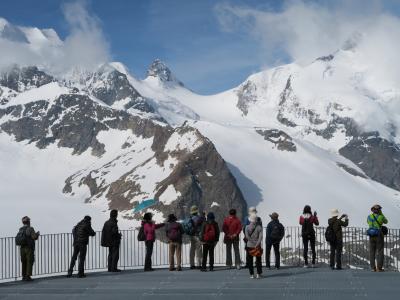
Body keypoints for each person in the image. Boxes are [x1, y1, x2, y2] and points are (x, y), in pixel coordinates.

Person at [17, 216, 40, 281]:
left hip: (22, 248)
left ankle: (23, 276)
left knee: (23, 261)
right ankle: (28, 276)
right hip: (29, 248)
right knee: (29, 261)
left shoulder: (21, 229)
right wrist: (37, 234)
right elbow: (34, 237)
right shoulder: (30, 228)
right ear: (29, 222)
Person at [367, 204, 388, 272]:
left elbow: (368, 222)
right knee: (380, 251)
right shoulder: (380, 217)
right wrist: (381, 213)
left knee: (372, 251)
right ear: (379, 210)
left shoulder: (369, 216)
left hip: (371, 234)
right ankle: (379, 268)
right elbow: (386, 221)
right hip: (378, 234)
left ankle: (373, 268)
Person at [245, 213, 263, 279]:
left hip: (249, 245)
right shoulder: (259, 227)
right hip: (257, 246)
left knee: (250, 260)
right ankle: (258, 273)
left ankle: (252, 274)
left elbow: (247, 236)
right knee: (258, 260)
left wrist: (252, 242)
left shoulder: (247, 227)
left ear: (250, 220)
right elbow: (260, 237)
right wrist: (257, 244)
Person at [188, 205, 205, 269]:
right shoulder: (199, 218)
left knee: (192, 250)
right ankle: (199, 264)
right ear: (196, 211)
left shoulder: (190, 218)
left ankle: (191, 264)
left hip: (191, 236)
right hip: (198, 236)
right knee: (199, 250)